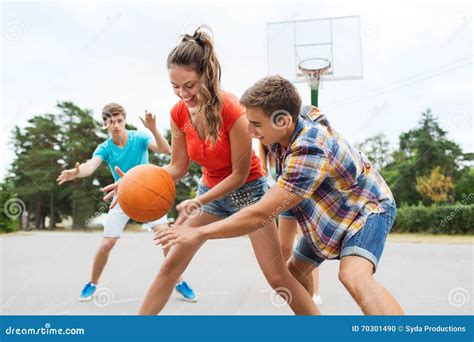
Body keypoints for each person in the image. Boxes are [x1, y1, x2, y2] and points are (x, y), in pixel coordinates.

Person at [102, 27, 319, 315]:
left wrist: (198, 201)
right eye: (175, 87)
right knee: (169, 267)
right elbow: (177, 167)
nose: (183, 94)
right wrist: (132, 181)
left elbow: (239, 175)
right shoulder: (178, 112)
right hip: (210, 193)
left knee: (277, 276)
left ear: (207, 74)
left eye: (189, 86)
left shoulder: (234, 111)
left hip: (250, 194)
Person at [155, 75, 404, 315]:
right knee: (292, 276)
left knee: (352, 275)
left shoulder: (308, 152)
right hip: (325, 213)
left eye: (256, 125)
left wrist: (198, 232)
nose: (250, 132)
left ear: (283, 121)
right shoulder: (289, 123)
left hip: (364, 208)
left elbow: (260, 213)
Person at [57, 103, 197, 302]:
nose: (115, 125)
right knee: (107, 243)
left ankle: (179, 281)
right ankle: (92, 283)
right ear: (105, 124)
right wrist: (77, 172)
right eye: (111, 121)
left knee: (165, 237)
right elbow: (90, 166)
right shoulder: (105, 148)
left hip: (149, 195)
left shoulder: (138, 138)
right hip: (121, 197)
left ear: (124, 120)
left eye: (119, 120)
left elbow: (165, 150)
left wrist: (153, 129)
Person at [259, 142, 323, 306]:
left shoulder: (289, 147)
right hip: (284, 204)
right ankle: (292, 285)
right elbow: (267, 183)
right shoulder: (265, 157)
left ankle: (315, 292)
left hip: (302, 200)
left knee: (308, 248)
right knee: (284, 248)